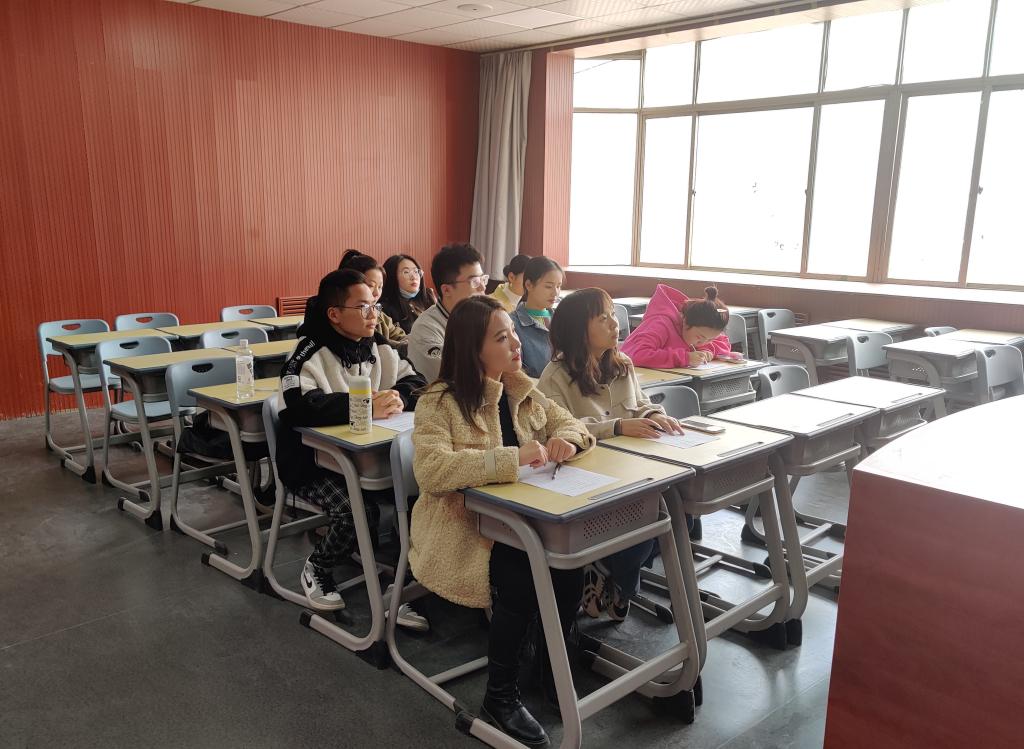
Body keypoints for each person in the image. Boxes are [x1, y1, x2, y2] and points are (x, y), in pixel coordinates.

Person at [410, 295, 595, 747]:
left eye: (513, 332)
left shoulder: (520, 388)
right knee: (520, 570)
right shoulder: (440, 401)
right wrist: (511, 458)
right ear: (473, 349)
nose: (516, 343)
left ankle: (552, 666)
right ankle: (500, 696)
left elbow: (573, 424)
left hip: (525, 518)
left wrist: (568, 441)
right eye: (501, 337)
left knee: (569, 564)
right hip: (462, 528)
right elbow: (432, 471)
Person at [277, 269, 428, 631]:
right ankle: (318, 566)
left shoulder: (378, 346)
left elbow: (417, 380)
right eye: (363, 307)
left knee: (425, 499)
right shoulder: (307, 352)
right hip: (311, 463)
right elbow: (299, 403)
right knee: (355, 511)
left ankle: (402, 586)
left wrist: (397, 395)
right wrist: (364, 406)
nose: (373, 314)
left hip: (370, 459)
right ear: (334, 313)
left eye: (375, 305)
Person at [537, 288, 685, 621]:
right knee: (643, 521)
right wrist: (617, 427)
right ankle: (615, 576)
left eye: (613, 316)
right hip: (588, 473)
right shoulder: (555, 377)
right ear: (579, 329)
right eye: (602, 318)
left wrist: (654, 415)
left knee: (675, 513)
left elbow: (642, 403)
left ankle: (609, 572)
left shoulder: (622, 364)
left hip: (630, 465)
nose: (614, 324)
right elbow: (558, 429)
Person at [407, 242, 487, 383]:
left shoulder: (485, 317)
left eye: (483, 279)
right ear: (447, 290)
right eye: (475, 281)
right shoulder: (426, 329)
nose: (482, 287)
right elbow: (460, 378)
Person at [621, 284, 731, 369]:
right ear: (685, 321)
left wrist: (707, 350)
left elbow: (723, 343)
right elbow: (636, 355)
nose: (703, 342)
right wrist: (685, 358)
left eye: (711, 339)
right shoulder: (660, 324)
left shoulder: (706, 328)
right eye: (699, 337)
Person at [337, 249, 408, 353]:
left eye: (380, 287)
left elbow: (400, 336)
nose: (377, 293)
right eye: (370, 285)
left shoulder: (380, 314)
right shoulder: (347, 315)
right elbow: (372, 345)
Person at [512, 256, 563, 378]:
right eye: (548, 286)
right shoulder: (512, 323)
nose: (555, 293)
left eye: (558, 286)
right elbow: (517, 375)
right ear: (529, 285)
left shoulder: (562, 318)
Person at [381, 253, 435, 334]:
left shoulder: (427, 298)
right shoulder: (384, 309)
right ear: (392, 276)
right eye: (406, 272)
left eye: (416, 271)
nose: (414, 277)